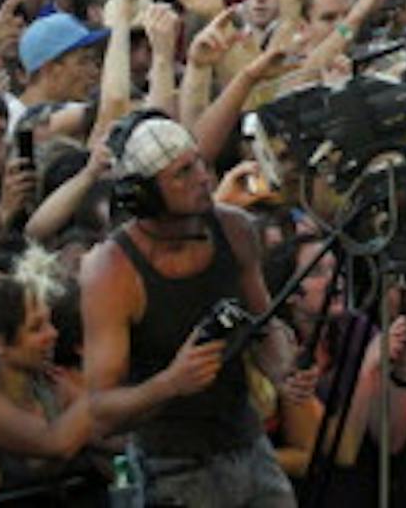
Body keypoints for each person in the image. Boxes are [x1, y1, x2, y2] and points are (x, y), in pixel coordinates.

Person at [79, 117, 298, 505]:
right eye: (183, 172)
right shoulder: (111, 271)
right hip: (171, 467)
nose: (203, 178)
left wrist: (284, 371)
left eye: (199, 162)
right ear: (144, 196)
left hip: (249, 445)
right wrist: (170, 383)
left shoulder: (235, 228)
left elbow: (264, 326)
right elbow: (101, 410)